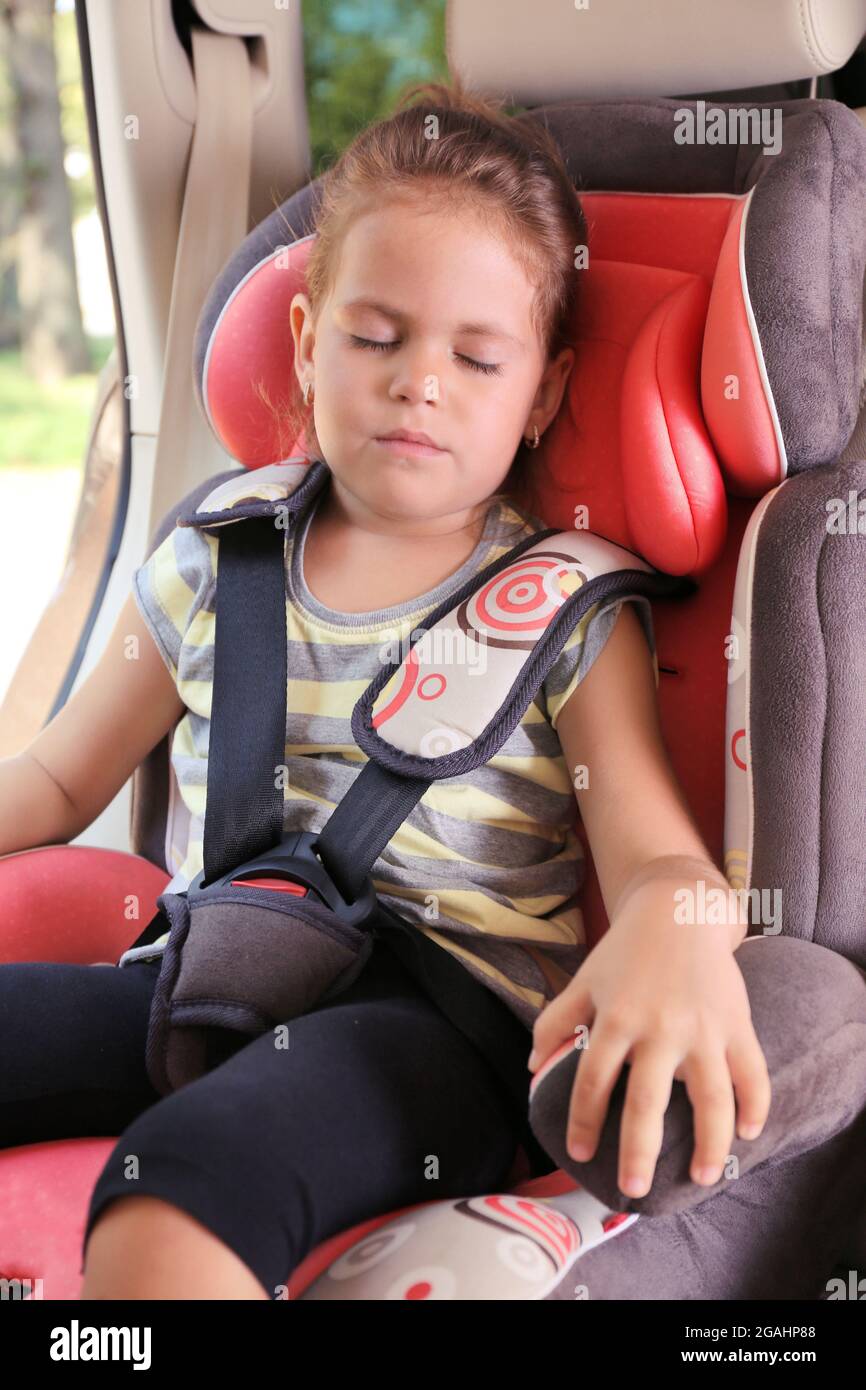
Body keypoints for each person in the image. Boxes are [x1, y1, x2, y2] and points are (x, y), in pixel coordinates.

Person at [0, 77, 860, 1303]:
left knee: (181, 1172)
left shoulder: (561, 609)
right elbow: (52, 776)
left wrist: (678, 940)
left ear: (544, 394)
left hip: (432, 1029)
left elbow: (657, 859)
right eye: (374, 336)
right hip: (195, 972)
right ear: (305, 342)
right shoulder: (213, 553)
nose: (420, 382)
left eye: (476, 355)